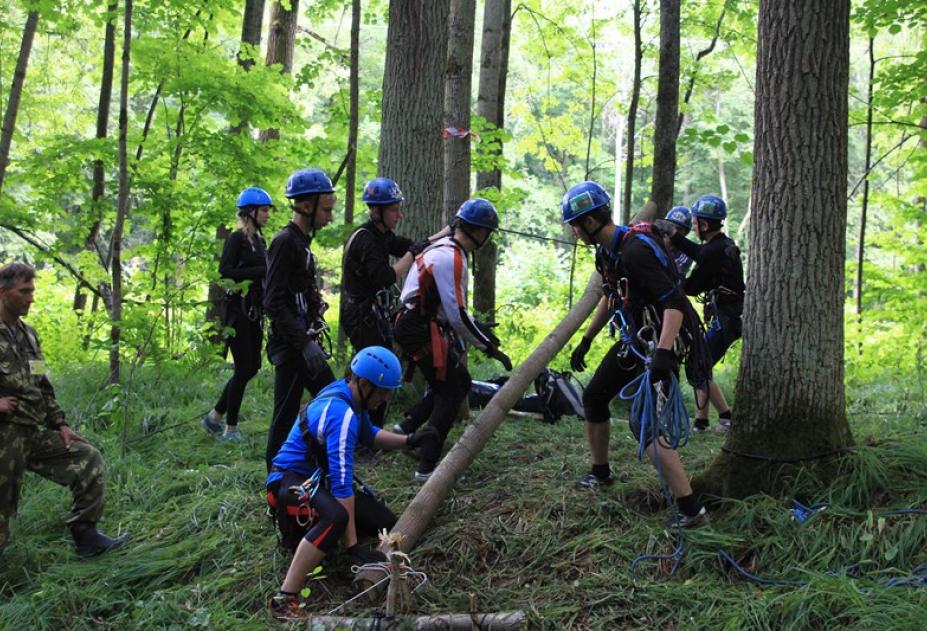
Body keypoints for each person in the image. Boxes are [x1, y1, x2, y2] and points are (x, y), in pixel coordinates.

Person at [563, 182, 710, 527]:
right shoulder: (608, 253)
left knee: (648, 428)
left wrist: (661, 356)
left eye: (574, 223)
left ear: (589, 221)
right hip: (637, 342)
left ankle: (692, 511)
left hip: (662, 344)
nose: (572, 230)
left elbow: (673, 304)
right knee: (595, 396)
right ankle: (600, 472)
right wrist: (587, 339)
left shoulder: (634, 252)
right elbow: (611, 296)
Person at [266, 346, 438, 622]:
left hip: (314, 480)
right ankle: (285, 598)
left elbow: (369, 433)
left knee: (383, 520)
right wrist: (353, 547)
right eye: (382, 392)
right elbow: (342, 484)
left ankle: (324, 540)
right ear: (365, 383)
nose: (384, 399)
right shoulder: (341, 414)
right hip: (287, 482)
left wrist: (409, 440)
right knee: (336, 516)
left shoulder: (350, 396)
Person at [0, 263, 131, 557]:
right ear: (3, 291)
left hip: (33, 432)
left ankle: (87, 537)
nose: (31, 297)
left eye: (32, 290)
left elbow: (43, 384)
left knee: (87, 458)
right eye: (24, 291)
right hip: (4, 436)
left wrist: (60, 423)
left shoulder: (28, 334)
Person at [393, 198, 513, 482]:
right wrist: (488, 346)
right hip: (417, 328)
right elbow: (457, 313)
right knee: (451, 389)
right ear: (480, 232)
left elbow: (447, 308)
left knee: (454, 382)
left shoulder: (445, 250)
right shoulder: (452, 256)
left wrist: (479, 330)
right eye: (488, 233)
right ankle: (426, 464)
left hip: (418, 324)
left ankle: (405, 429)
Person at [339, 178, 431, 426]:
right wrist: (412, 255)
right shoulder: (366, 239)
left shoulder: (381, 236)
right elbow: (385, 277)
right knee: (375, 372)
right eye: (394, 210)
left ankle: (368, 428)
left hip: (367, 313)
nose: (398, 215)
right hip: (360, 314)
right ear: (376, 211)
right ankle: (364, 430)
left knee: (376, 368)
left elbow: (405, 246)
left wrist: (437, 238)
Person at [263, 168, 338, 472]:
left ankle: (320, 462)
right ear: (305, 206)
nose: (330, 218)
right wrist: (304, 344)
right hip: (292, 348)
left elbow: (292, 293)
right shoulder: (284, 242)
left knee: (333, 398)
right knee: (284, 417)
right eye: (326, 210)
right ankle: (275, 488)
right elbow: (273, 302)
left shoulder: (301, 242)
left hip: (302, 342)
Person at [203, 187, 273, 441]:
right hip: (237, 311)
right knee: (244, 368)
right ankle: (229, 428)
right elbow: (225, 272)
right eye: (264, 210)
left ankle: (214, 416)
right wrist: (259, 270)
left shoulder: (260, 241)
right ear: (250, 212)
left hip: (255, 311)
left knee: (252, 366)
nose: (267, 215)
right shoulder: (236, 239)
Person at [669, 194, 744, 432]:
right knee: (701, 361)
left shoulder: (715, 251)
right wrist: (675, 237)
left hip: (726, 320)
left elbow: (692, 287)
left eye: (695, 221)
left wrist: (669, 276)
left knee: (697, 363)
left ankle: (726, 416)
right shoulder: (721, 246)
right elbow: (699, 253)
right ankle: (701, 420)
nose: (693, 225)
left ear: (705, 224)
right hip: (727, 318)